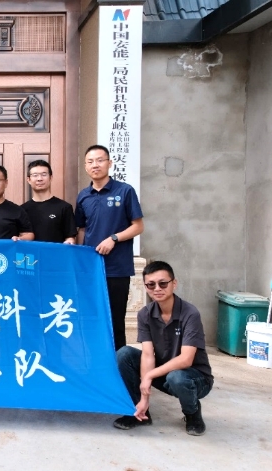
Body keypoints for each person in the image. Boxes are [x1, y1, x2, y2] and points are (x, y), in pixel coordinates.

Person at [114, 261, 213, 436]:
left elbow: (186, 359)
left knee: (177, 377)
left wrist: (149, 376)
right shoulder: (145, 314)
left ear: (174, 283)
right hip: (165, 373)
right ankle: (141, 413)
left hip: (195, 378)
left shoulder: (190, 313)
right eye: (151, 285)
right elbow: (147, 355)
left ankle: (192, 413)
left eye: (163, 283)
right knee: (124, 354)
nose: (157, 289)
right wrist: (144, 398)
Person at [75, 145, 144, 350]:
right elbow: (82, 229)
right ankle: (94, 360)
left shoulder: (124, 191)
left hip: (117, 269)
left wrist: (114, 238)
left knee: (115, 321)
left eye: (100, 160)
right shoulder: (83, 196)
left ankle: (118, 364)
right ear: (86, 166)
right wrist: (80, 259)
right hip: (91, 269)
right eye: (90, 161)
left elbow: (138, 226)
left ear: (109, 163)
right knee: (91, 318)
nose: (95, 165)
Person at [21, 160, 76, 244]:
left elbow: (70, 237)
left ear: (51, 178)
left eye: (44, 175)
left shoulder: (64, 207)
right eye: (35, 175)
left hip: (55, 252)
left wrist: (70, 241)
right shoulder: (22, 210)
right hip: (30, 252)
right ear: (28, 180)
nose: (39, 179)